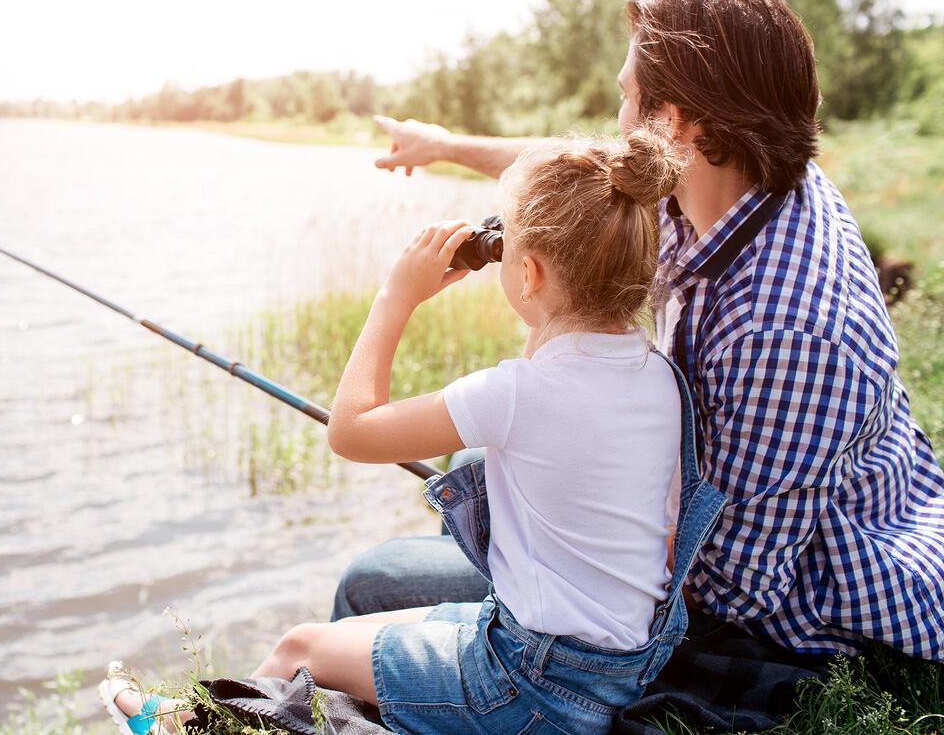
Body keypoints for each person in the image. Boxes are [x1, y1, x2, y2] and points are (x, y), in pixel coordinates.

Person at [334, 0, 944, 663]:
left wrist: (560, 531)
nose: (617, 120)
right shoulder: (743, 170)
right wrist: (443, 145)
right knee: (477, 461)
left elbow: (728, 588)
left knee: (368, 582)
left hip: (806, 604)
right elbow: (576, 169)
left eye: (626, 98)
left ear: (676, 122)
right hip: (731, 514)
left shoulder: (787, 329)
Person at [100, 127, 729, 734]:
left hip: (528, 689)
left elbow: (351, 431)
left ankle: (184, 727)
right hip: (615, 669)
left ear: (529, 276)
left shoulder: (517, 393)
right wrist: (525, 263)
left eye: (504, 247)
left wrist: (395, 296)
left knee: (301, 648)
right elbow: (572, 351)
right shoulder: (659, 377)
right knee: (380, 630)